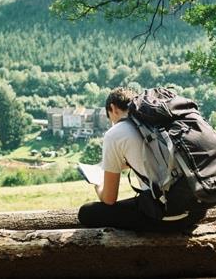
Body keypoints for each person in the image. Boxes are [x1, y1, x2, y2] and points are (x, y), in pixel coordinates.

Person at [78, 87, 208, 232]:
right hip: (198, 209)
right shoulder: (157, 121)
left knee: (87, 212)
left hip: (166, 217)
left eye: (110, 118)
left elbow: (109, 199)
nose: (112, 123)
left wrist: (98, 183)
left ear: (113, 109)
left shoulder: (114, 134)